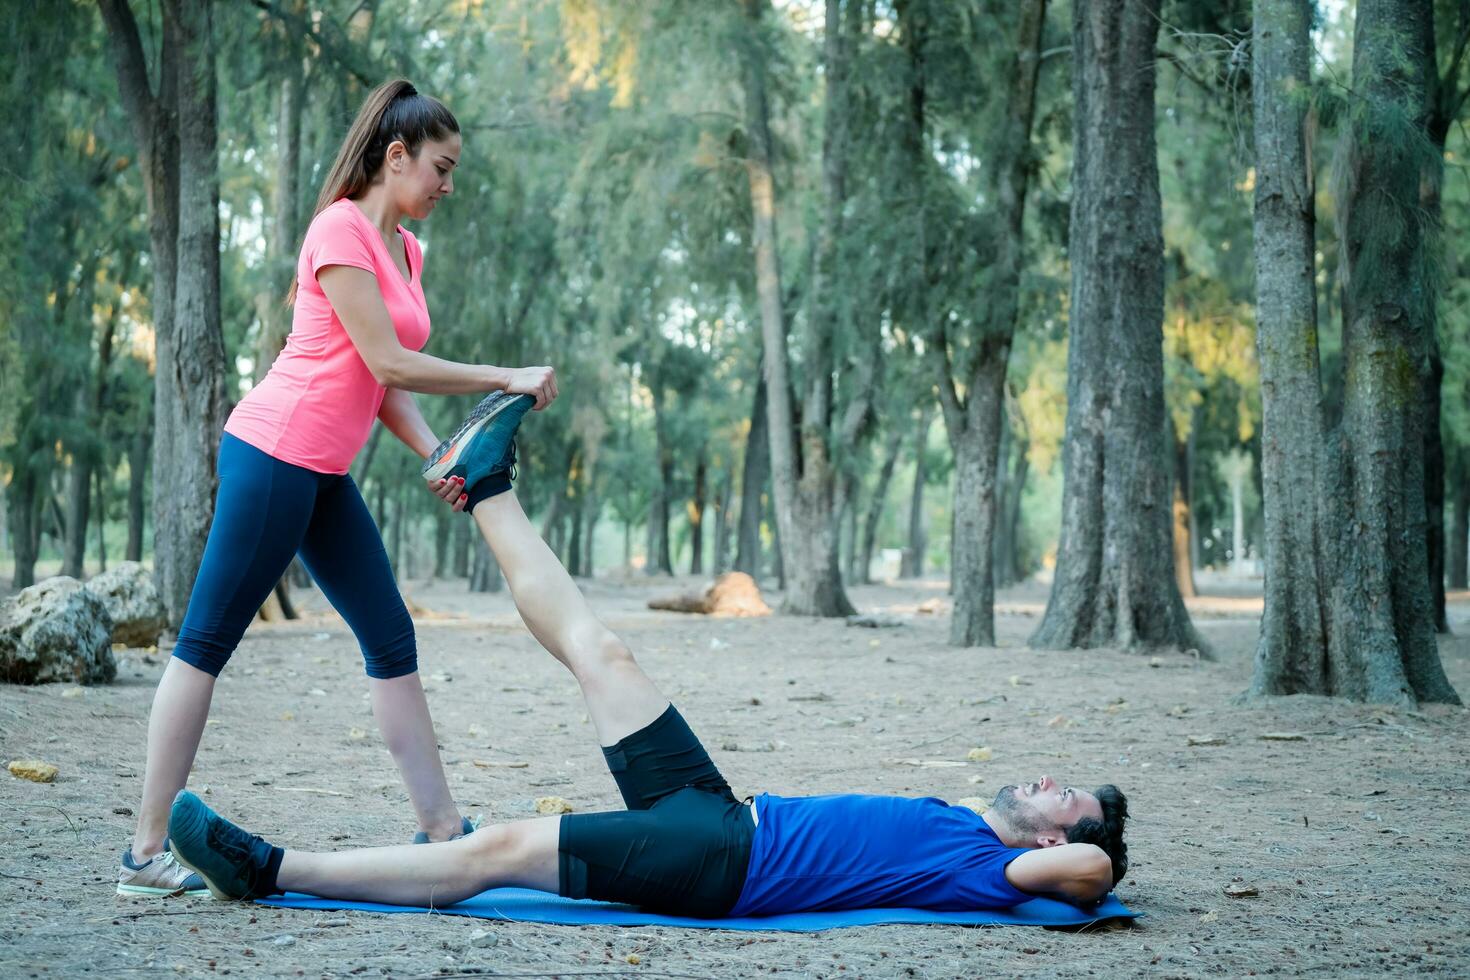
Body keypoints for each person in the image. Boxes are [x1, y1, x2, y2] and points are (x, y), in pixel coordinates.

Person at [166, 422, 1130, 917]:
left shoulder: (1005, 869)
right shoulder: (967, 828)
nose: (1047, 782)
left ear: (1057, 835)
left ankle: (273, 870)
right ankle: (485, 482)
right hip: (725, 810)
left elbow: (1091, 873)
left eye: (1065, 795)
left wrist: (1097, 845)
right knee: (604, 651)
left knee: (499, 849)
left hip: (719, 866)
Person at [118, 79, 558, 897]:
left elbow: (378, 381)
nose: (448, 185)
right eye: (441, 167)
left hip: (323, 471)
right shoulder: (339, 230)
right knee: (207, 642)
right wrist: (505, 376)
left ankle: (441, 832)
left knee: (391, 638)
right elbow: (390, 361)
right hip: (275, 451)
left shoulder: (407, 252)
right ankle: (144, 853)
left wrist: (438, 453)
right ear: (396, 157)